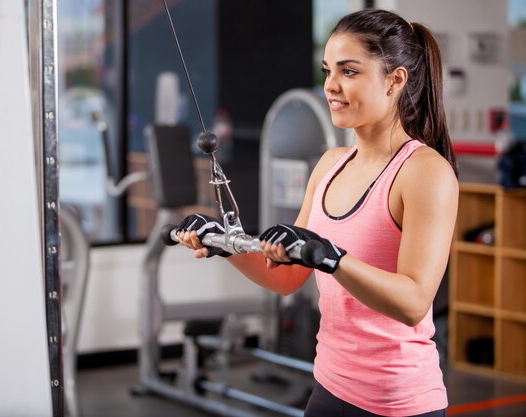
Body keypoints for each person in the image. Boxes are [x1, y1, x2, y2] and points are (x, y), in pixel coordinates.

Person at [177, 8, 458, 417]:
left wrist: (333, 258)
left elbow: (414, 300)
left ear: (395, 80)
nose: (330, 86)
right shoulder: (331, 164)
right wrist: (223, 243)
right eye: (327, 71)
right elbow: (290, 275)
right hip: (329, 386)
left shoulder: (424, 171)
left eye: (349, 72)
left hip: (398, 401)